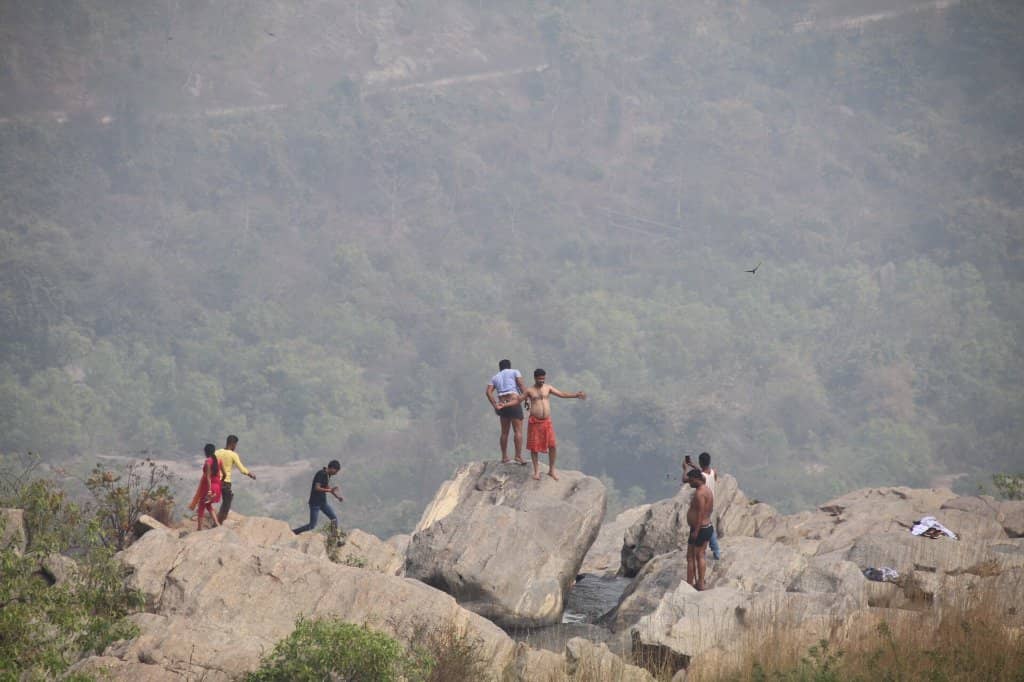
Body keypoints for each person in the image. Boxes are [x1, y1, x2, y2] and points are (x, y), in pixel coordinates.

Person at [507, 368, 586, 481]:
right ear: (535, 378)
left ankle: (551, 470)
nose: (541, 381)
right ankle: (536, 472)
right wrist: (504, 405)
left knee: (552, 445)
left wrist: (575, 395)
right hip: (535, 421)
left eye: (543, 378)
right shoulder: (530, 391)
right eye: (539, 379)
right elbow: (518, 400)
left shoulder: (548, 388)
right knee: (534, 447)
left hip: (546, 421)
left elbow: (562, 394)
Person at [485, 359, 528, 464]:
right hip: (513, 402)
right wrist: (526, 398)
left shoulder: (495, 377)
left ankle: (504, 457)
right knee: (518, 431)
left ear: (500, 367)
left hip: (502, 404)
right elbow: (521, 385)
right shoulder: (515, 372)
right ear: (509, 366)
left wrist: (495, 405)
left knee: (504, 432)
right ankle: (518, 456)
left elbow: (488, 392)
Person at [683, 452, 721, 560]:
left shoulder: (701, 477)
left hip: (703, 502)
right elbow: (702, 473)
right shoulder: (714, 472)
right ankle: (716, 550)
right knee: (708, 524)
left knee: (706, 525)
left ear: (700, 462)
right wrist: (693, 465)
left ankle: (716, 549)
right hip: (710, 501)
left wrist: (685, 468)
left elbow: (685, 479)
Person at [292, 460, 344, 535]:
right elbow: (317, 488)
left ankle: (334, 537)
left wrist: (337, 497)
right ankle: (293, 532)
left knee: (334, 519)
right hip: (315, 503)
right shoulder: (321, 473)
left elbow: (327, 487)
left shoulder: (327, 475)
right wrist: (330, 490)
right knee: (312, 525)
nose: (336, 473)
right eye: (336, 471)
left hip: (323, 503)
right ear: (332, 468)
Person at [215, 435, 256, 524]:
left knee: (216, 499)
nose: (235, 447)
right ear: (233, 444)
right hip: (226, 482)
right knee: (227, 501)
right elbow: (241, 469)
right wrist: (250, 474)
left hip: (215, 481)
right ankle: (219, 522)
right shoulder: (233, 454)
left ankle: (216, 518)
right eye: (235, 445)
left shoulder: (217, 452)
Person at [685, 467, 714, 591]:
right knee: (700, 555)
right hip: (706, 527)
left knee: (692, 557)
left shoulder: (699, 494)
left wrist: (696, 531)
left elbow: (700, 513)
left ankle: (692, 583)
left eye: (691, 481)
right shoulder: (706, 489)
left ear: (697, 479)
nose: (689, 483)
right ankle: (700, 582)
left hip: (700, 529)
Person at [188, 443, 222, 531]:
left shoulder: (208, 462)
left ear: (206, 452)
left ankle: (199, 528)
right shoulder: (219, 461)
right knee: (208, 505)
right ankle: (217, 524)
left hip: (210, 487)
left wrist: (209, 491)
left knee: (201, 505)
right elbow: (223, 474)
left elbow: (208, 477)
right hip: (217, 487)